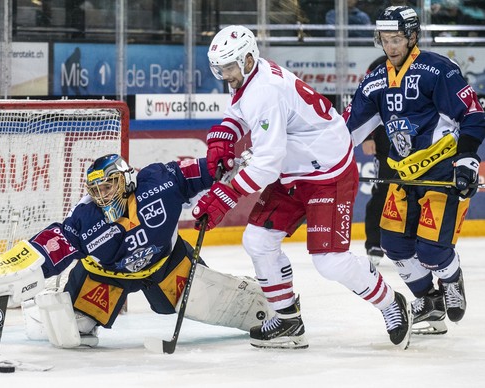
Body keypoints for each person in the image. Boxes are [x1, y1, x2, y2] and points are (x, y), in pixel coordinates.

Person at [192, 25, 412, 350]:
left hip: (327, 174)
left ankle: (391, 303)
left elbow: (267, 161)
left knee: (330, 261)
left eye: (229, 67)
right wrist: (223, 138)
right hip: (295, 171)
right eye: (221, 68)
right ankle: (287, 319)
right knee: (257, 239)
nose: (225, 75)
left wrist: (224, 197)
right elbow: (240, 112)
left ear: (248, 58)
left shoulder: (264, 89)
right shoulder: (252, 75)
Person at [0, 154, 275, 348]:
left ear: (126, 179)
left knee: (241, 308)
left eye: (108, 186)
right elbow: (54, 244)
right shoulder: (85, 218)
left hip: (165, 265)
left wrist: (231, 164)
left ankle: (267, 301)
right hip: (105, 277)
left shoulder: (159, 182)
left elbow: (199, 170)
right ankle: (36, 316)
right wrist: (14, 268)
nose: (102, 195)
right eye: (96, 190)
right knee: (72, 331)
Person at [343, 6, 484, 335]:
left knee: (432, 250)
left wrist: (467, 159)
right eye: (384, 39)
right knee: (395, 246)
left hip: (441, 172)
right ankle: (429, 302)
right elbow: (345, 130)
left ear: (412, 36)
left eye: (396, 39)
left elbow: (473, 115)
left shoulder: (438, 69)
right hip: (402, 177)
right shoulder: (376, 80)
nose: (390, 46)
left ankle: (450, 278)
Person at [361, 55, 394, 266]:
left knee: (415, 192)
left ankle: (416, 243)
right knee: (383, 190)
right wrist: (366, 136)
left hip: (417, 140)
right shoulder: (377, 65)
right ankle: (374, 242)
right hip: (384, 138)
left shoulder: (422, 63)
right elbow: (364, 100)